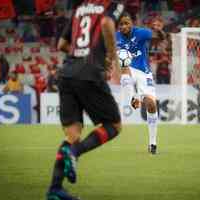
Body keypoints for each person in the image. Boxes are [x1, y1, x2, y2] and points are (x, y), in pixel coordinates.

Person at [46, 1, 124, 200]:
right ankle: (75, 152)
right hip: (89, 73)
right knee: (114, 125)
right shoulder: (112, 4)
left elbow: (62, 44)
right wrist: (111, 59)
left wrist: (79, 56)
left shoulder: (79, 8)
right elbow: (106, 23)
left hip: (67, 73)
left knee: (72, 134)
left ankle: (55, 190)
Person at [116, 12, 164, 154]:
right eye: (121, 24)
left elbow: (160, 38)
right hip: (128, 69)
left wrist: (159, 30)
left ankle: (153, 143)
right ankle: (133, 99)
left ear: (132, 23)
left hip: (143, 71)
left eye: (126, 23)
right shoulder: (116, 36)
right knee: (123, 62)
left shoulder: (141, 33)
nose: (124, 26)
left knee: (151, 104)